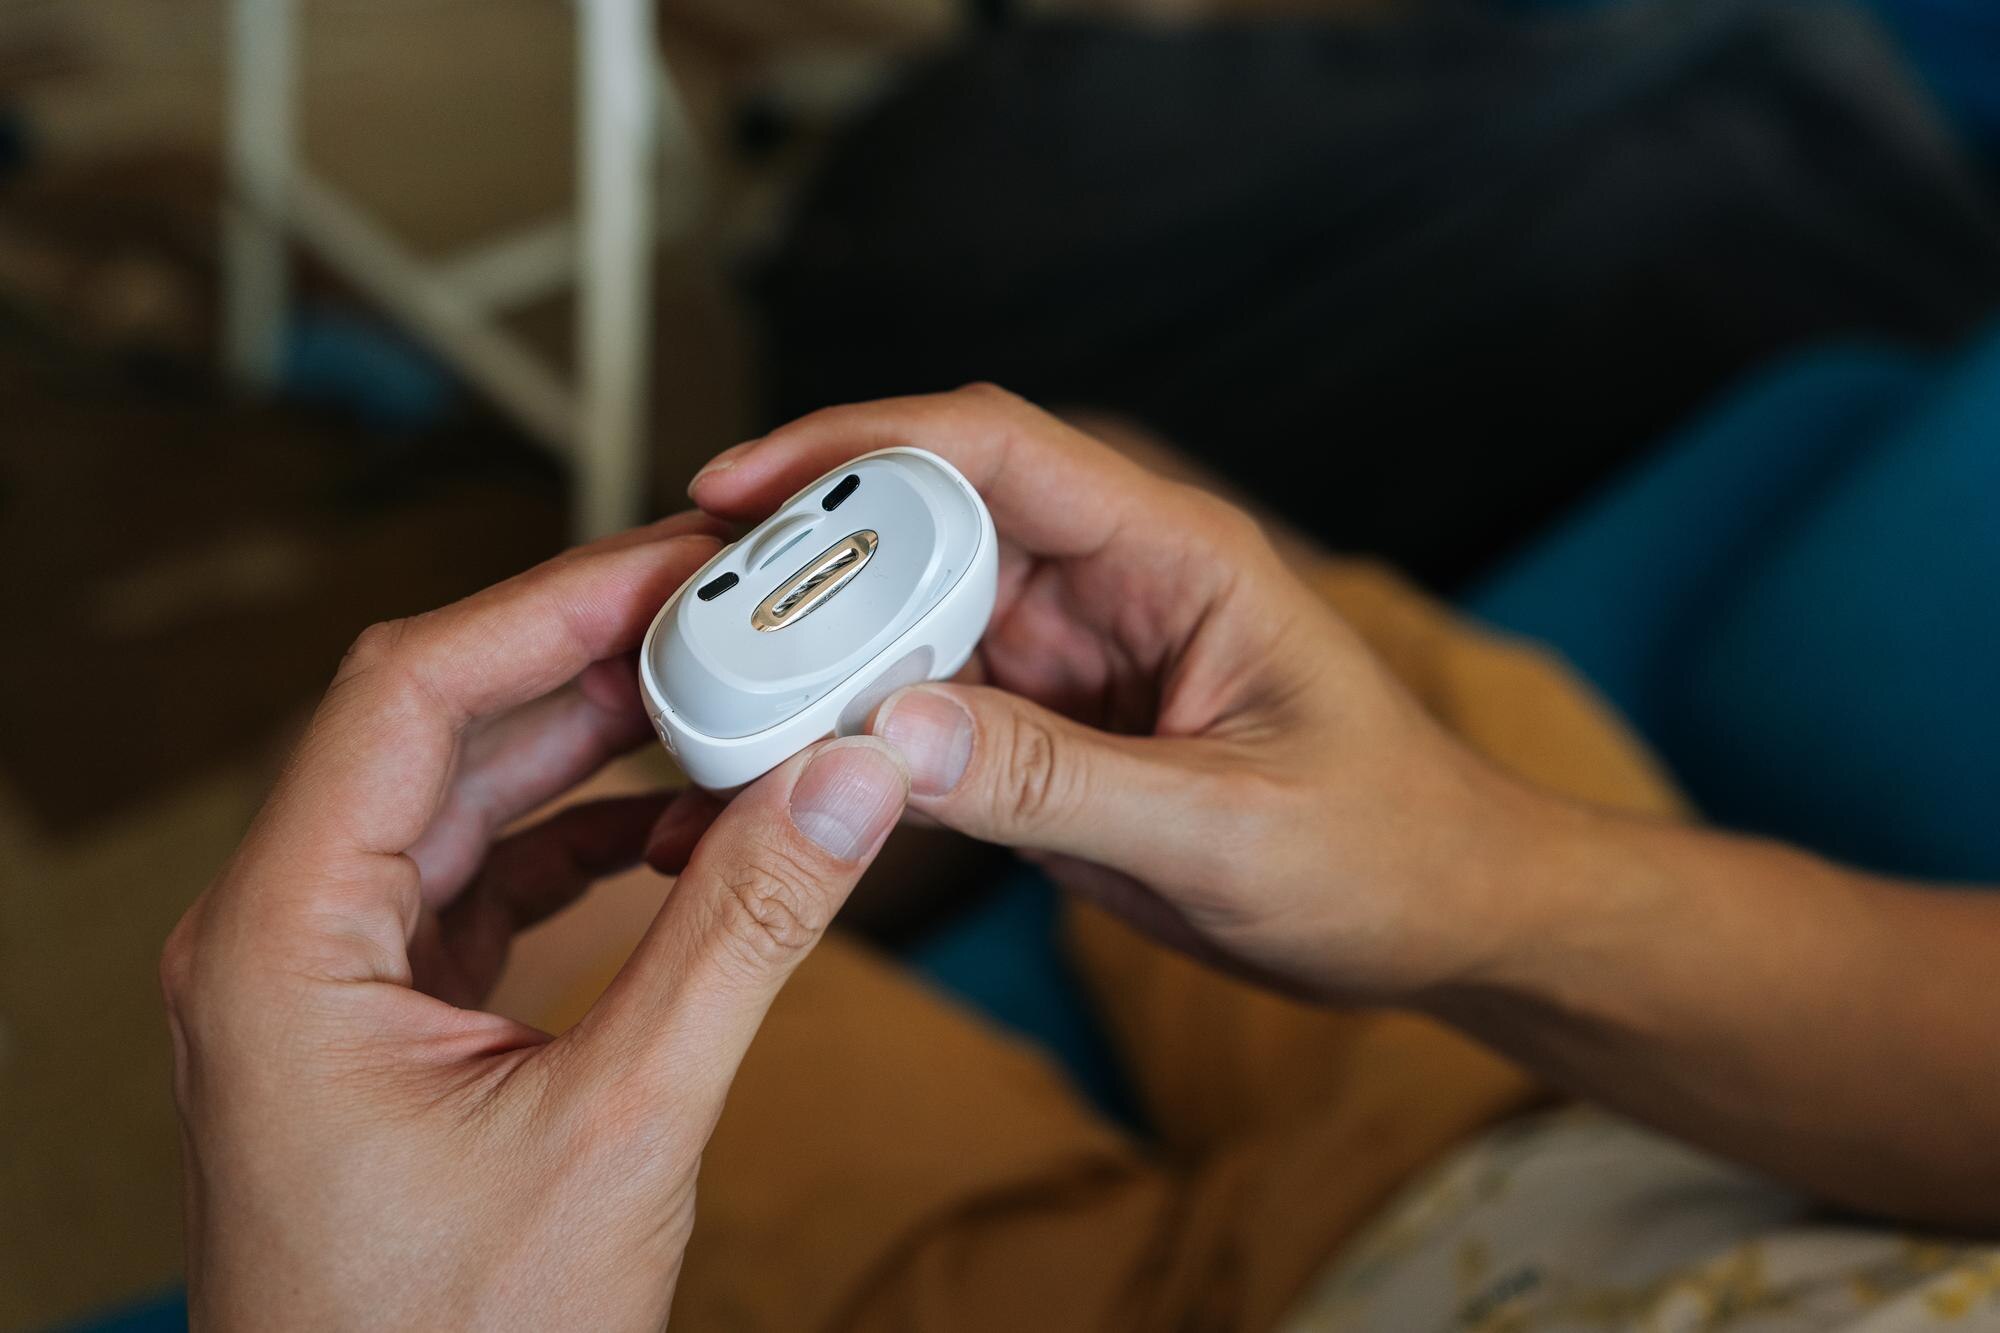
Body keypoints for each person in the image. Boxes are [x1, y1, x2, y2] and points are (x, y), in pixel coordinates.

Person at [164, 385, 2000, 1330]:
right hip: (1666, 1088)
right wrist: (1488, 892)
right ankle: (904, 789)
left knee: (442, 933)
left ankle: (862, 794)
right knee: (1093, 504)